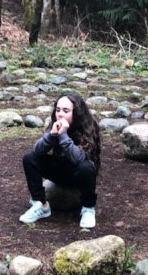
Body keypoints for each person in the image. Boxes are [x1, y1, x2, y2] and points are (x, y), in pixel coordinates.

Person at [19, 93, 101, 228]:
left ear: (77, 113)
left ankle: (88, 208)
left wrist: (63, 135)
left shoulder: (88, 127)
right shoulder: (54, 124)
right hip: (60, 171)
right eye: (58, 110)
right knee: (29, 158)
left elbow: (79, 159)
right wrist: (51, 136)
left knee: (86, 167)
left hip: (78, 177)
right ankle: (41, 204)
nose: (60, 114)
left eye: (66, 111)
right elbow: (37, 151)